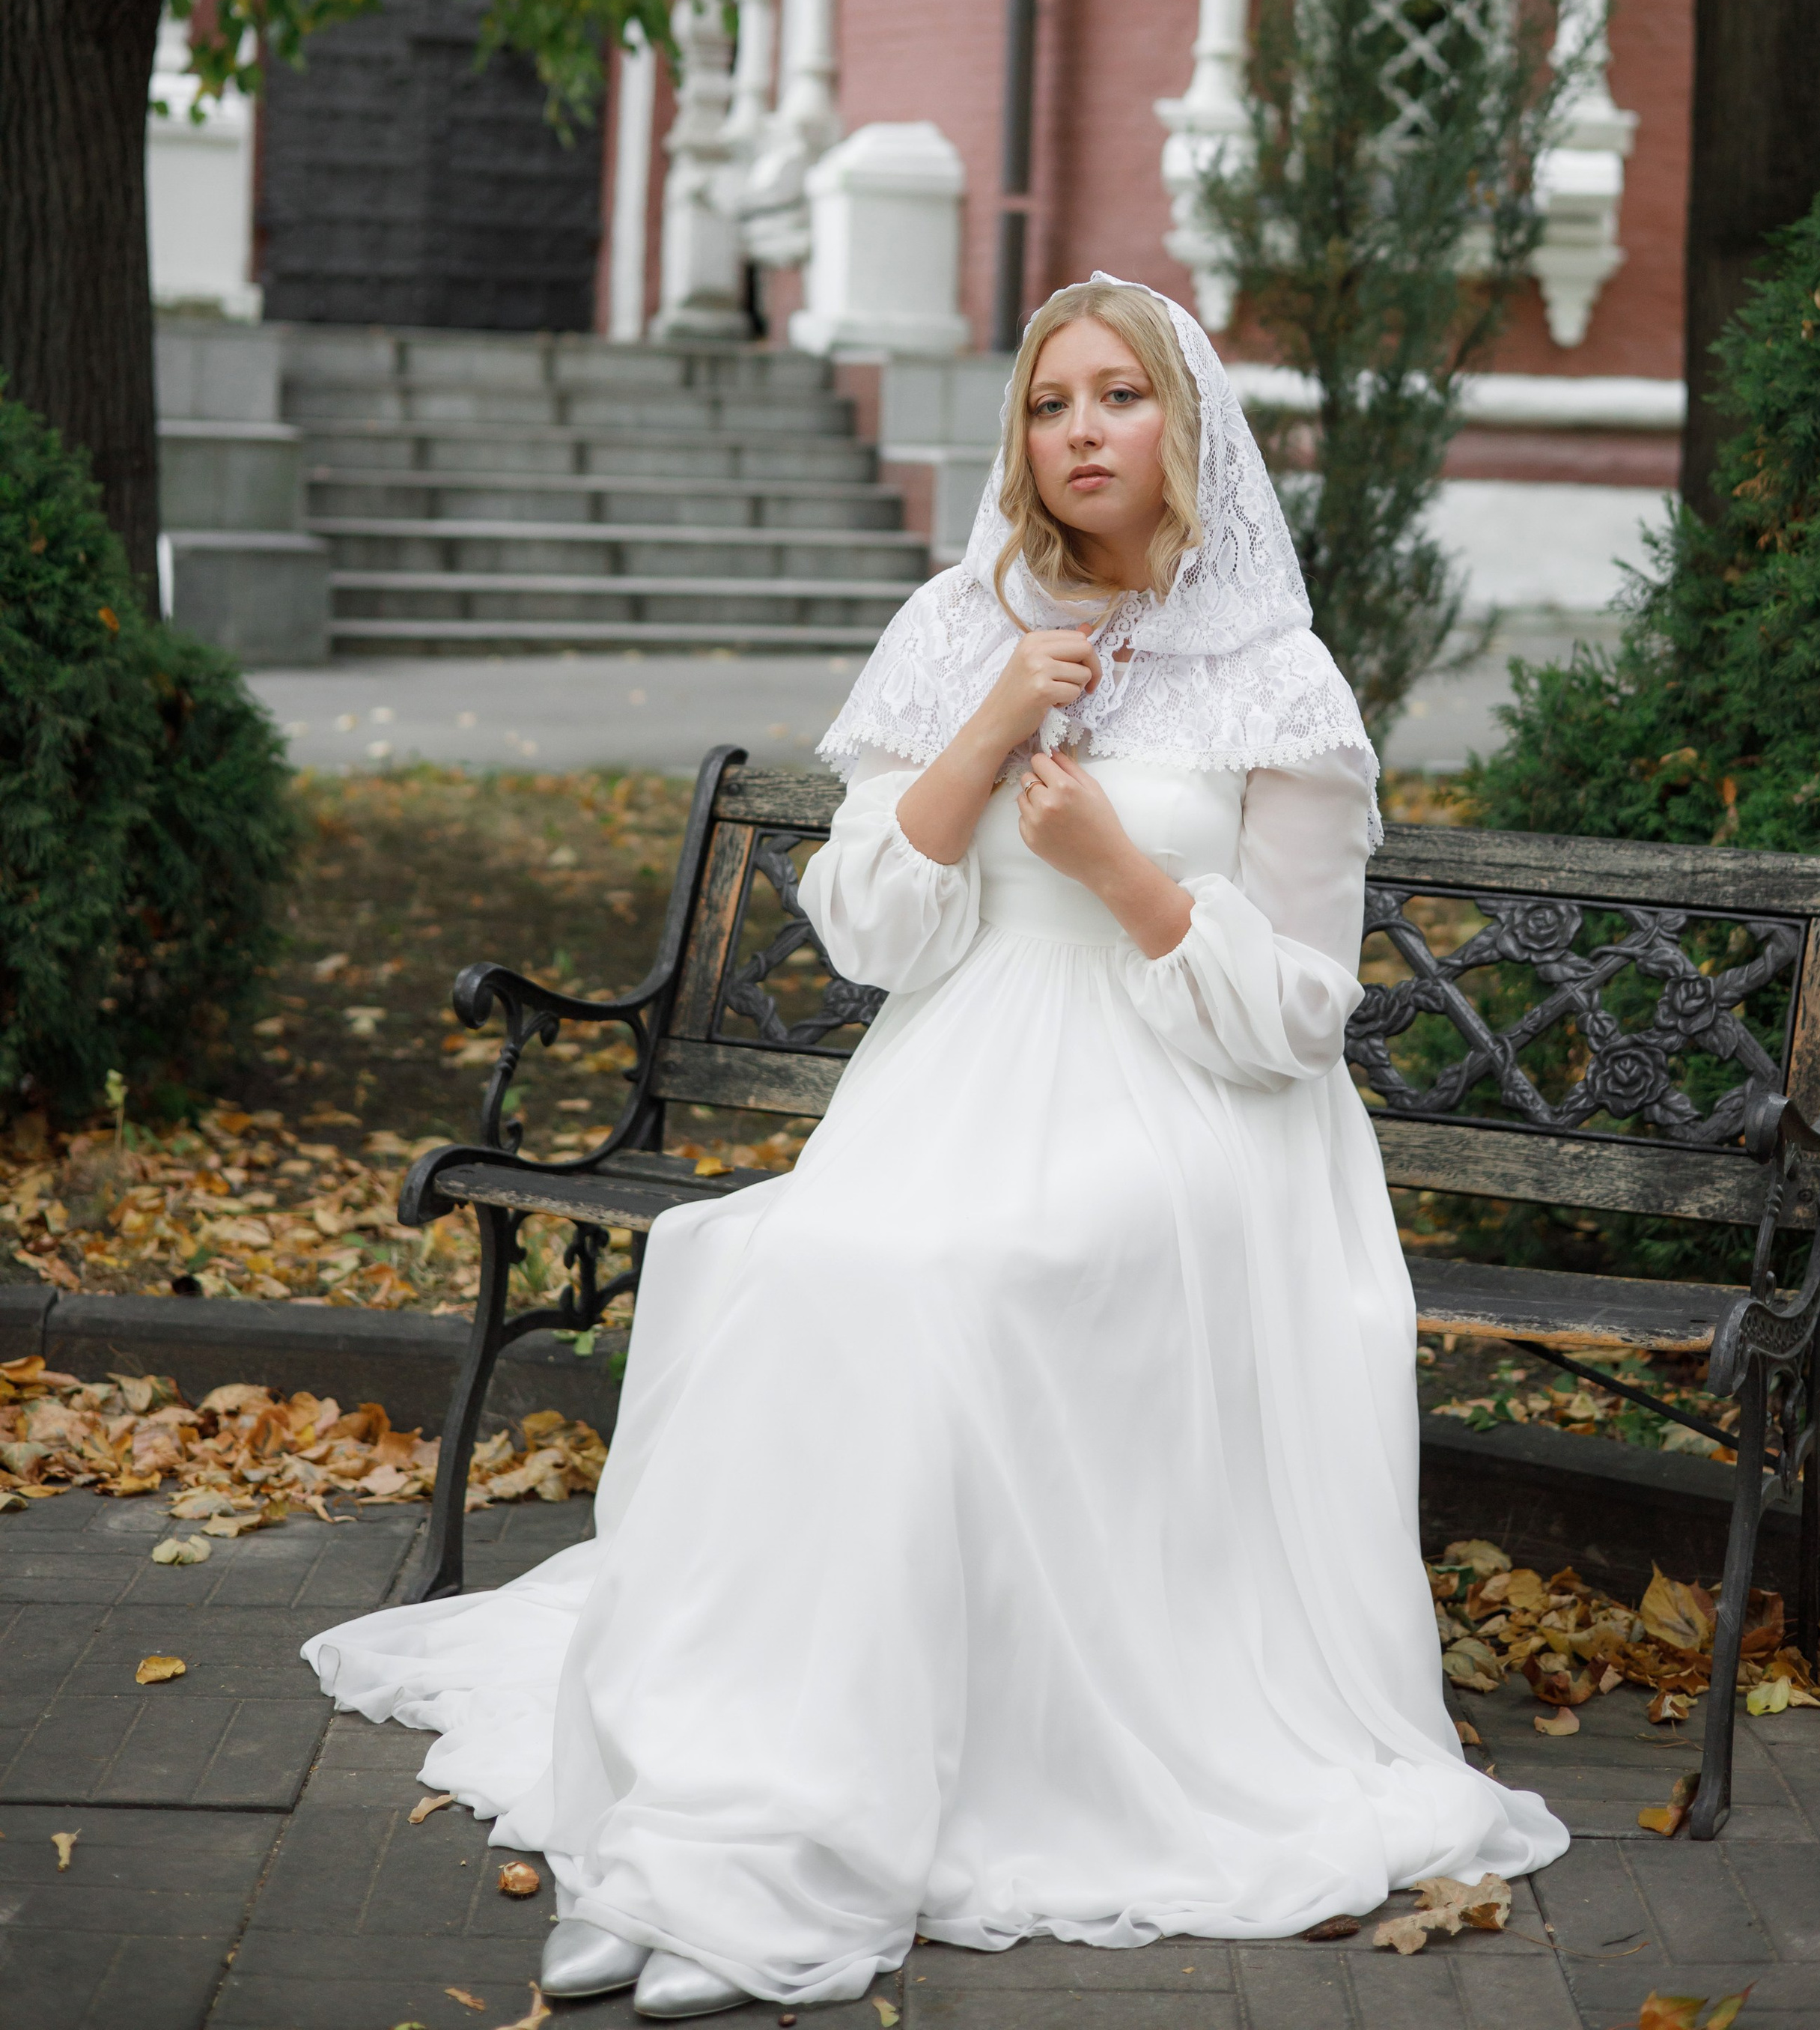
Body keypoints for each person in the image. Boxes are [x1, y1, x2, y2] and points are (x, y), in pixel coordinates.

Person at [302, 275, 1567, 2018]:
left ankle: (783, 1851)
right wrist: (984, 726)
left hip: (1197, 1122)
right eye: (1049, 405)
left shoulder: (1274, 677)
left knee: (948, 1283)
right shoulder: (952, 624)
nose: (1080, 433)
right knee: (788, 1259)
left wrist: (1123, 873)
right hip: (961, 1076)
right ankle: (708, 1817)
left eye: (1118, 396)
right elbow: (872, 931)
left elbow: (1292, 1014)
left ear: (1184, 426)